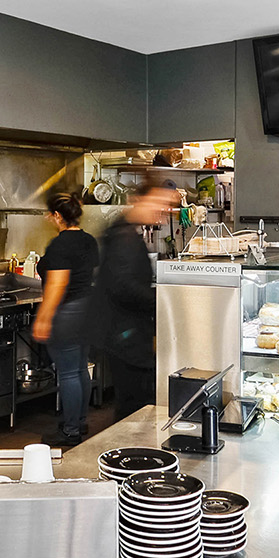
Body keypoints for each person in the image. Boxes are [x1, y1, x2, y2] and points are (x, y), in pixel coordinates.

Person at [96, 180, 181, 420]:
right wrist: (163, 301)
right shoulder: (123, 238)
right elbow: (123, 286)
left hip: (128, 334)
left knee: (135, 404)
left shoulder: (125, 231)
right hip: (126, 336)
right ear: (139, 201)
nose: (162, 211)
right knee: (134, 407)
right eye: (158, 203)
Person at [32, 191, 100, 445]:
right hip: (87, 308)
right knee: (80, 368)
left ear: (58, 216)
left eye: (51, 214)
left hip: (68, 311)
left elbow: (57, 284)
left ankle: (70, 431)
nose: (48, 218)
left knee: (69, 373)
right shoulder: (88, 240)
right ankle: (79, 422)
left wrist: (44, 317)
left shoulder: (60, 245)